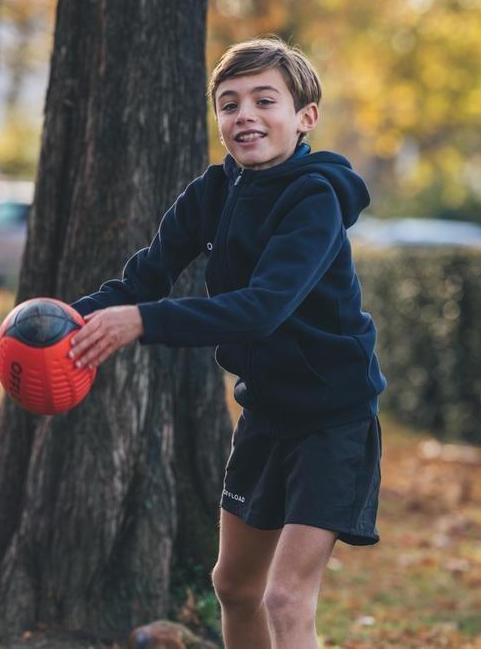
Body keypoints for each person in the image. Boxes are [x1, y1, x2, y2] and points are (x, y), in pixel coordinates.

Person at [67, 36, 386, 648]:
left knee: (285, 598)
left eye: (265, 100)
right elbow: (144, 277)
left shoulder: (314, 198)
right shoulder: (212, 193)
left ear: (304, 117)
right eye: (229, 103)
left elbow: (262, 309)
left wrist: (144, 321)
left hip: (333, 419)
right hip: (265, 413)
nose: (245, 116)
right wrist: (65, 322)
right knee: (235, 587)